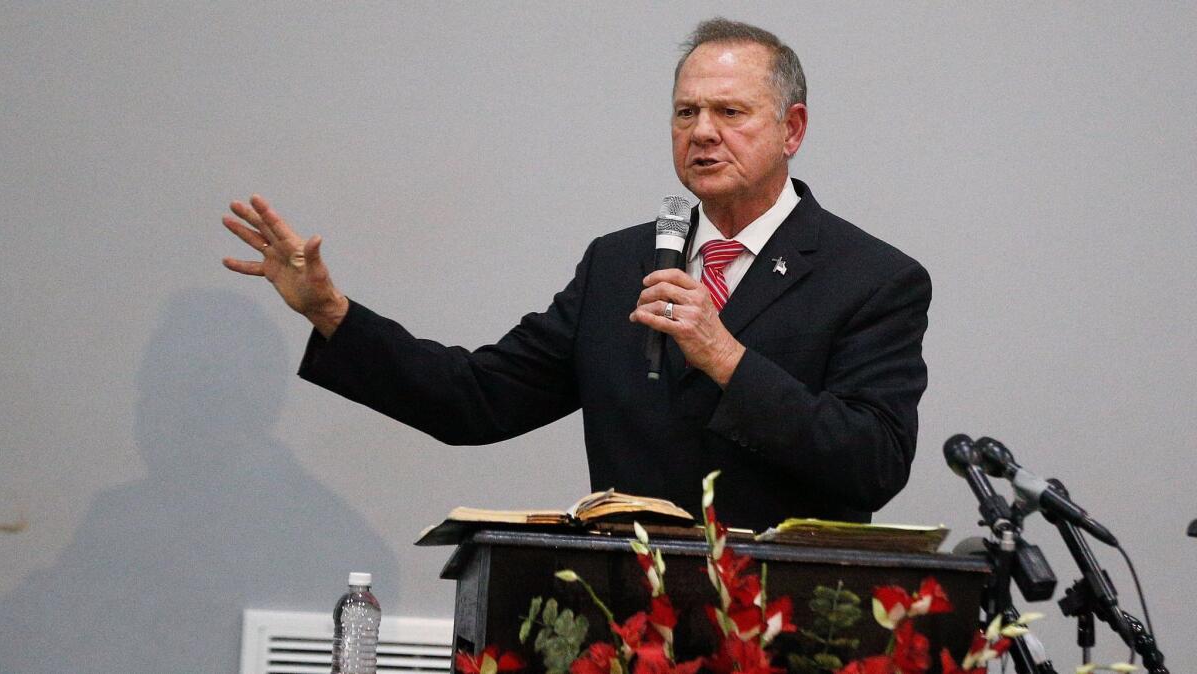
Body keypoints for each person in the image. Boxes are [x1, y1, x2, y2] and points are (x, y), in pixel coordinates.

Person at [221, 18, 931, 532]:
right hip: (629, 627)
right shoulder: (620, 265)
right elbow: (475, 399)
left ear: (792, 129)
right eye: (685, 112)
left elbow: (873, 462)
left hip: (779, 631)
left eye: (729, 112)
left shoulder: (871, 279)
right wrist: (332, 312)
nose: (702, 131)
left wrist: (727, 359)